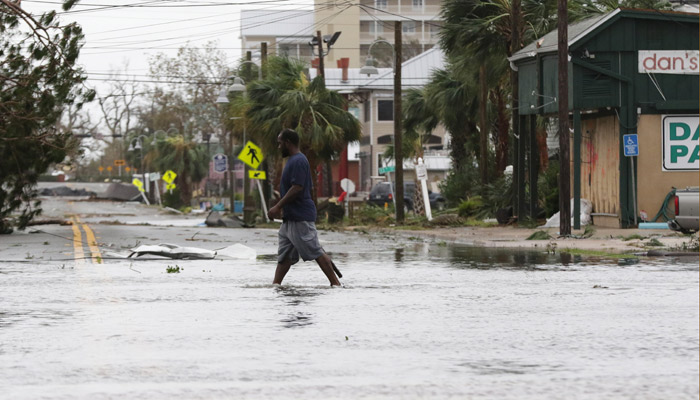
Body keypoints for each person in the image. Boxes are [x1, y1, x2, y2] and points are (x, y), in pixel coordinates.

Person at [267, 129, 341, 286]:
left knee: (315, 250)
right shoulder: (293, 161)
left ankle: (335, 285)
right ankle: (275, 286)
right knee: (284, 255)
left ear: (288, 143)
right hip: (290, 217)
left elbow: (298, 187)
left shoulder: (299, 161)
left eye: (280, 143)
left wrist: (277, 207)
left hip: (300, 216)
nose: (279, 147)